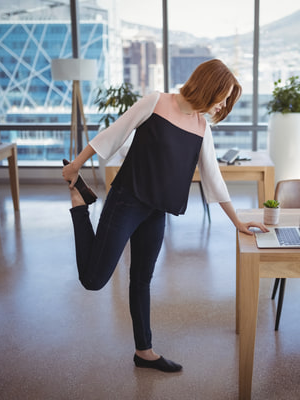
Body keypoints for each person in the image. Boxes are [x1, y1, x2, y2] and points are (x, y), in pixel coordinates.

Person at [62, 59, 268, 373]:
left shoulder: (201, 127)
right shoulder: (156, 102)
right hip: (126, 201)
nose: (224, 104)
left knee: (141, 280)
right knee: (93, 280)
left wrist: (237, 221)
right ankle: (80, 205)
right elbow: (113, 133)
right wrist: (76, 165)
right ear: (207, 86)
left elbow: (214, 177)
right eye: (223, 95)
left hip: (157, 211)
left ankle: (144, 351)